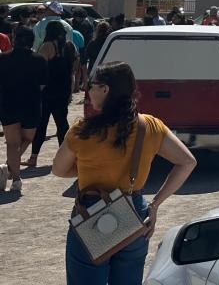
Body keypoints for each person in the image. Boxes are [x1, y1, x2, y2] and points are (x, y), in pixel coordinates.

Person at [52, 62, 195, 283]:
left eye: (91, 85)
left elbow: (58, 170)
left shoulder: (83, 130)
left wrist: (88, 167)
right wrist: (155, 204)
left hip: (93, 213)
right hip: (134, 211)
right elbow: (187, 162)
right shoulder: (149, 126)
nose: (87, 91)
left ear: (105, 89)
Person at [0, 27, 46, 192]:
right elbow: (42, 85)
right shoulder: (39, 59)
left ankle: (15, 177)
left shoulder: (3, 59)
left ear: (14, 39)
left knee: (12, 143)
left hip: (7, 104)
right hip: (31, 104)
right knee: (27, 139)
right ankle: (8, 168)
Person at [26, 20, 78, 168]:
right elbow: (72, 71)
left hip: (47, 91)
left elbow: (39, 69)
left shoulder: (47, 46)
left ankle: (33, 157)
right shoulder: (69, 47)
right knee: (62, 125)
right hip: (63, 90)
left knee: (41, 124)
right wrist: (71, 92)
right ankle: (67, 158)